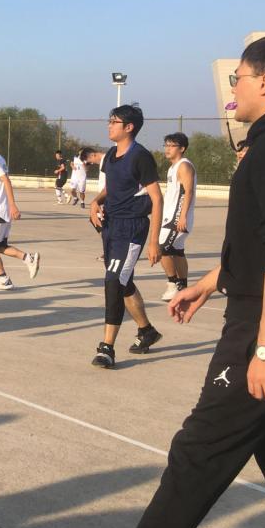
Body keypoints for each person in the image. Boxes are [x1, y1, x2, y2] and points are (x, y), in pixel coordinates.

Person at [105, 34, 265, 528]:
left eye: (239, 78)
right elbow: (261, 239)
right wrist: (212, 281)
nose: (234, 88)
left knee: (201, 446)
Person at [87, 104, 163, 369]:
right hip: (111, 226)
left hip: (131, 228)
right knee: (124, 280)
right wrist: (96, 202)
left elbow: (156, 197)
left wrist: (154, 242)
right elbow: (112, 188)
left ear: (129, 127)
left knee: (113, 282)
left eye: (114, 121)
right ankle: (147, 331)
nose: (109, 125)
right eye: (109, 121)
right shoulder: (111, 154)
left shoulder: (140, 156)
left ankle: (107, 348)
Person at [0, 129, 40, 290]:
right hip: (0, 210)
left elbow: (6, 181)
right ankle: (28, 258)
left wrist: (12, 205)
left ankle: (3, 279)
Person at [158, 133, 196, 302]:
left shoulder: (184, 166)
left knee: (162, 248)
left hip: (177, 218)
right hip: (170, 216)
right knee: (177, 251)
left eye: (171, 145)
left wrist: (182, 217)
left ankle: (172, 284)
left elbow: (188, 192)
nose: (167, 149)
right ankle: (183, 287)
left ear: (182, 148)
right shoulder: (172, 167)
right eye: (166, 145)